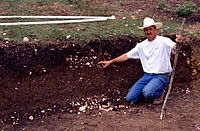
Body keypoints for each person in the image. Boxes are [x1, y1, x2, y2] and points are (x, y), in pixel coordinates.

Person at [98, 17, 183, 105]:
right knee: (130, 98)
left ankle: (159, 93)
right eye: (146, 30)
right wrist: (110, 61)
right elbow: (126, 56)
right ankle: (148, 92)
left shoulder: (164, 41)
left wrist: (179, 43)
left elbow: (175, 48)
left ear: (155, 29)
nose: (148, 32)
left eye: (150, 29)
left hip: (161, 76)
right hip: (147, 76)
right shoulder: (141, 46)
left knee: (148, 92)